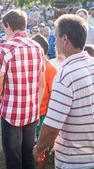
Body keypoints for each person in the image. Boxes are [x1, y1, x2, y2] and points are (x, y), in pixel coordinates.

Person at [33, 14, 94, 168]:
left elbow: (51, 127)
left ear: (65, 39)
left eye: (56, 36)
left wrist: (38, 149)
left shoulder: (65, 75)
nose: (54, 42)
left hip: (75, 161)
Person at [0, 9, 45, 169]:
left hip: (11, 112)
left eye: (4, 27)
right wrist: (36, 106)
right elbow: (41, 84)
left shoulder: (6, 48)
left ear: (8, 26)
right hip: (31, 112)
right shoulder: (37, 47)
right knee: (29, 158)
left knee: (13, 160)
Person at [30, 34, 58, 169]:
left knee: (41, 147)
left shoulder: (51, 69)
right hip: (29, 113)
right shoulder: (30, 65)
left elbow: (53, 96)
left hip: (42, 115)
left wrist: (47, 118)